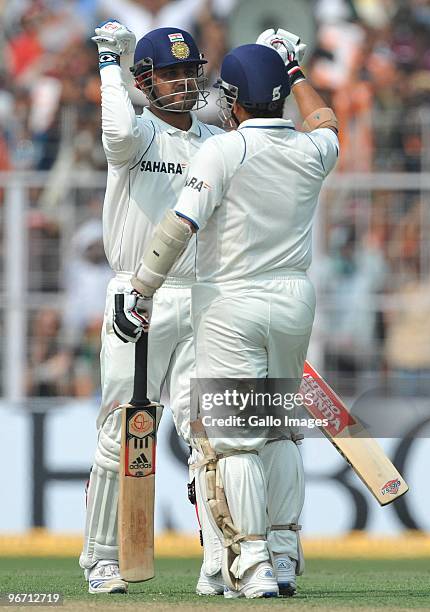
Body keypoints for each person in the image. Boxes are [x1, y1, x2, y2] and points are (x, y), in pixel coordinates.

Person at [122, 29, 339, 598]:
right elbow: (327, 121)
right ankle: (287, 553)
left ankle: (253, 562)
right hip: (294, 300)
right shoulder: (313, 150)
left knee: (236, 441)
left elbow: (179, 227)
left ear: (236, 99)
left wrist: (141, 288)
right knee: (283, 432)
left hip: (229, 301)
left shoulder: (224, 147)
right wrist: (294, 71)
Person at [79, 20, 224, 594]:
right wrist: (108, 66)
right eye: (170, 74)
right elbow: (113, 131)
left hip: (202, 298)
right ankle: (102, 558)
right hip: (137, 295)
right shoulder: (137, 133)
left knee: (207, 431)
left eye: (190, 72)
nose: (183, 83)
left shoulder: (213, 144)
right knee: (123, 432)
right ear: (146, 81)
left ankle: (221, 557)